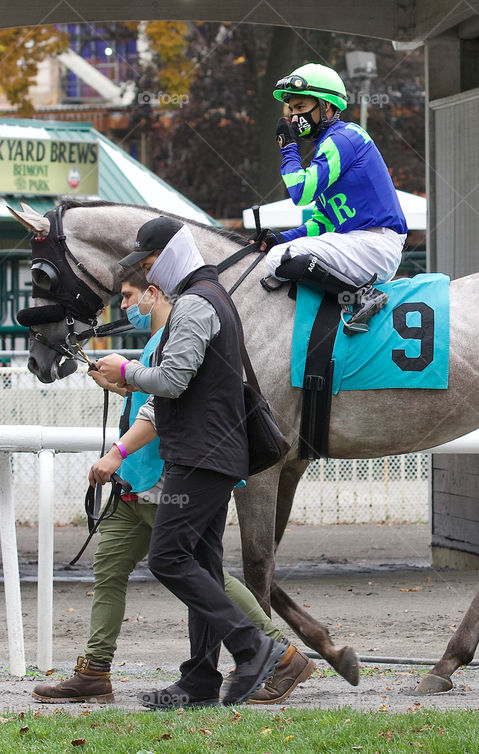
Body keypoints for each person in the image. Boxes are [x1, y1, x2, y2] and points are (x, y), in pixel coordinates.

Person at [31, 262, 314, 706]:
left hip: (170, 476)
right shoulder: (164, 337)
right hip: (143, 479)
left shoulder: (183, 330)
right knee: (115, 570)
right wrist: (124, 384)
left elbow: (160, 406)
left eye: (129, 296)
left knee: (192, 569)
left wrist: (117, 447)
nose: (124, 307)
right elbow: (155, 398)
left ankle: (274, 652)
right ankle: (97, 672)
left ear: (153, 293)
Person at [92, 218, 286, 708]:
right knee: (203, 563)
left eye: (149, 263)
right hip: (211, 452)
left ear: (171, 254)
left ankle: (253, 647)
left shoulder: (197, 302)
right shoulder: (209, 297)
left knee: (168, 558)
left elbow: (173, 381)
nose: (147, 275)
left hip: (201, 455)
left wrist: (127, 369)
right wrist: (132, 378)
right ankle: (200, 681)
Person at [259, 62, 409, 333]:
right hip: (361, 243)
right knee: (279, 249)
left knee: (278, 258)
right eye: (291, 109)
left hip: (374, 245)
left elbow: (301, 192)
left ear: (326, 106)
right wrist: (279, 238)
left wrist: (289, 150)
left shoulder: (343, 138)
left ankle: (361, 298)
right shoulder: (330, 145)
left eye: (301, 107)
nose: (294, 117)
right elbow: (322, 223)